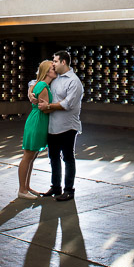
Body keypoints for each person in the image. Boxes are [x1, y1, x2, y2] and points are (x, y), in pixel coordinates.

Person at [37, 50, 83, 201]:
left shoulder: (73, 81)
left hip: (68, 126)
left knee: (68, 157)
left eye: (55, 61)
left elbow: (67, 104)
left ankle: (69, 190)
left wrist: (48, 106)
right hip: (53, 125)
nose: (54, 64)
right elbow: (37, 82)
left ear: (63, 62)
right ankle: (56, 187)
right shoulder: (55, 78)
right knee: (53, 157)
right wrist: (31, 93)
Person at [17, 60, 55, 199]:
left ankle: (26, 186)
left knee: (31, 157)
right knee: (28, 156)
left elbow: (33, 84)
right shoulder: (43, 86)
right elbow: (44, 109)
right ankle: (22, 189)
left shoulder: (39, 85)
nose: (55, 70)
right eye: (52, 68)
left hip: (36, 120)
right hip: (38, 121)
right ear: (46, 72)